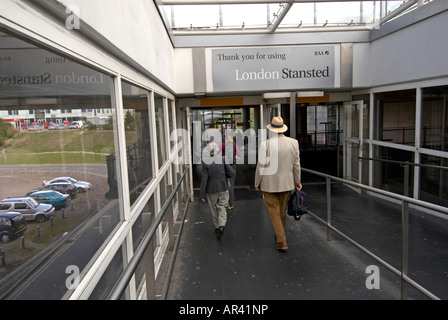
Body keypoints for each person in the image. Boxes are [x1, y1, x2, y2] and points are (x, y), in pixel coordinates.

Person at [254, 116, 302, 252]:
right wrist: (298, 181)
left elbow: (261, 166)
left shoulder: (265, 144)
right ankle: (279, 233)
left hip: (269, 184)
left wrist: (257, 182)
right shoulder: (294, 143)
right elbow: (296, 165)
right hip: (286, 183)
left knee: (273, 211)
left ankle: (281, 240)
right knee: (281, 210)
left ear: (272, 130)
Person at [200, 142, 235, 239]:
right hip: (223, 188)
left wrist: (202, 194)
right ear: (217, 150)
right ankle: (221, 226)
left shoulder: (205, 162)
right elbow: (231, 173)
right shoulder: (223, 159)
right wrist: (225, 177)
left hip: (211, 190)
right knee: (222, 207)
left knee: (213, 209)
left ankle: (216, 226)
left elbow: (204, 179)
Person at [218, 135, 241, 210]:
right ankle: (231, 204)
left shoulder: (223, 145)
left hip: (224, 167)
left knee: (223, 184)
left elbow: (217, 154)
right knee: (231, 186)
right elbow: (239, 155)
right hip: (232, 167)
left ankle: (224, 202)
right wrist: (234, 157)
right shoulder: (234, 145)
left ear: (225, 139)